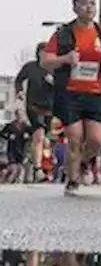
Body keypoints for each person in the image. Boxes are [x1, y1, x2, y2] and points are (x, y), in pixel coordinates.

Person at [41, 0, 101, 194]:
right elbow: (45, 61)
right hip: (70, 93)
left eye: (92, 4)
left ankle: (82, 163)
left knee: (96, 141)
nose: (89, 7)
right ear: (75, 8)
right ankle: (72, 180)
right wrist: (65, 59)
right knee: (75, 137)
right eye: (84, 4)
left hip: (95, 93)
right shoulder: (63, 33)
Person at [15, 43, 55, 173]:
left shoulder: (54, 68)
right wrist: (20, 91)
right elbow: (19, 79)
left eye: (48, 52)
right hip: (34, 106)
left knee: (45, 138)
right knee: (39, 136)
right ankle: (38, 169)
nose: (45, 55)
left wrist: (54, 82)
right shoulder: (30, 67)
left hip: (50, 107)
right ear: (38, 53)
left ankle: (33, 157)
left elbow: (64, 86)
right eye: (43, 52)